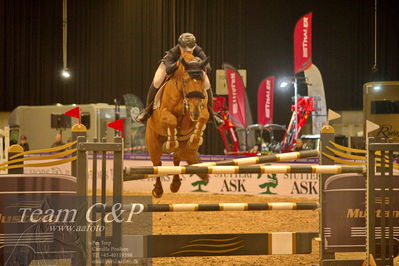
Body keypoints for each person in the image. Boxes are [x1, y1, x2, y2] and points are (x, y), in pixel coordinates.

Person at [136, 32, 223, 125]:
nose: (187, 53)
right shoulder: (173, 52)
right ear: (180, 47)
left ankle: (212, 114)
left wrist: (198, 63)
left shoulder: (198, 50)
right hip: (169, 67)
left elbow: (208, 68)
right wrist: (177, 63)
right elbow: (169, 70)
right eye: (184, 50)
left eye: (190, 51)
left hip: (191, 70)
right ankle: (147, 111)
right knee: (157, 81)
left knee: (206, 83)